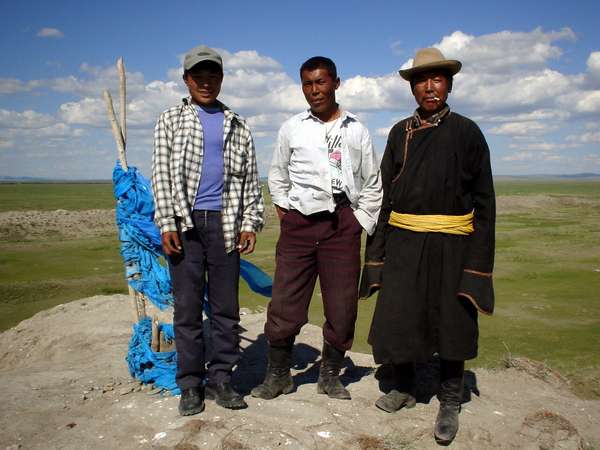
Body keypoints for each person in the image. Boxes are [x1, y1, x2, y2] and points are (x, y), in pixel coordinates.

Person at [359, 48, 495, 445]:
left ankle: (450, 398)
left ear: (449, 84)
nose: (429, 86)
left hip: (454, 242)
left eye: (437, 78)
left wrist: (477, 266)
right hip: (404, 240)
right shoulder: (399, 132)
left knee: (452, 318)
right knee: (402, 314)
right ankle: (403, 386)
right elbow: (384, 196)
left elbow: (485, 204)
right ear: (413, 87)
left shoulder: (468, 132)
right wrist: (377, 254)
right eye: (422, 80)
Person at [252, 56, 382, 401]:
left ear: (336, 83)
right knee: (285, 301)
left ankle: (329, 376)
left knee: (341, 305)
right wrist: (286, 214)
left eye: (321, 82)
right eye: (308, 84)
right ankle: (279, 375)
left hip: (341, 226)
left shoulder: (356, 129)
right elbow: (277, 175)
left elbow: (372, 181)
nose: (315, 90)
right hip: (298, 225)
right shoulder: (292, 127)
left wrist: (358, 222)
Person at [151, 45, 264, 416]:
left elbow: (250, 178)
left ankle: (220, 379)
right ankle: (190, 385)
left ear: (221, 79)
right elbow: (162, 174)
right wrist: (167, 222)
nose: (205, 82)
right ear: (186, 80)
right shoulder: (170, 119)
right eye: (198, 76)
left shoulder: (237, 123)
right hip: (185, 223)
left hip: (226, 222)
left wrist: (250, 222)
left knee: (226, 309)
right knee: (186, 308)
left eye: (212, 75)